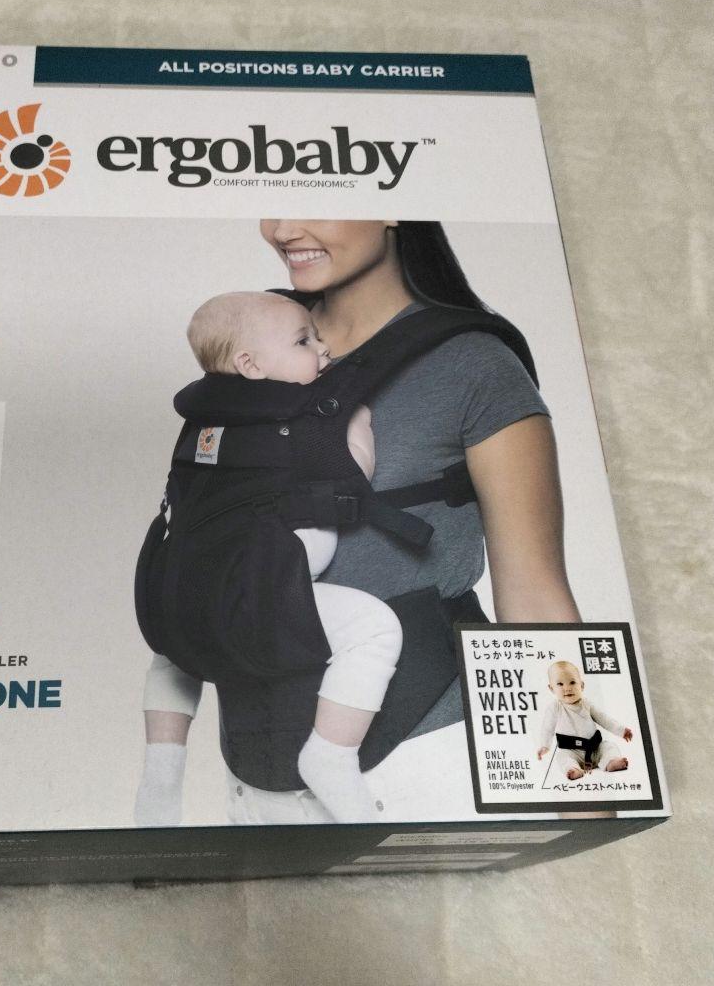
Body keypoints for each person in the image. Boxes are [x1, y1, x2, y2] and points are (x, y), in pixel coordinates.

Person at [136, 219, 579, 825]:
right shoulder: (252, 340)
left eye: (318, 197)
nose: (284, 227)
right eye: (274, 201)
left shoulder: (470, 362)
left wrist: (589, 784)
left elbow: (534, 594)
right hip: (253, 776)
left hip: (423, 757)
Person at [136, 291, 402, 824]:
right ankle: (330, 754)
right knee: (375, 627)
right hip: (260, 594)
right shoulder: (301, 416)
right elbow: (353, 477)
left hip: (174, 600)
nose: (322, 348)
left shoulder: (203, 422)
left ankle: (161, 772)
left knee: (175, 655)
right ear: (251, 365)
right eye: (304, 341)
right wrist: (357, 425)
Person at [536, 660, 633, 780]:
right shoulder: (555, 707)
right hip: (572, 751)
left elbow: (604, 719)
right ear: (552, 688)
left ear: (581, 686)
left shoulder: (587, 704)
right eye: (560, 684)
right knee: (562, 757)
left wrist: (621, 730)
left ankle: (610, 762)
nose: (567, 688)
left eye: (572, 682)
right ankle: (573, 769)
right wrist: (545, 745)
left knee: (609, 747)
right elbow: (547, 728)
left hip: (595, 748)